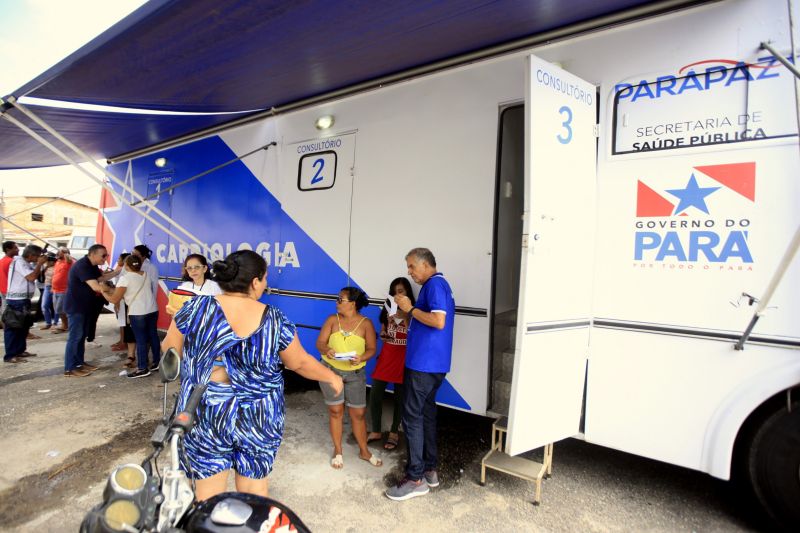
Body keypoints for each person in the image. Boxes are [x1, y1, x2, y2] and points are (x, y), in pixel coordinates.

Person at [161, 250, 344, 501]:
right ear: (255, 282)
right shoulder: (274, 318)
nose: (266, 284)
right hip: (258, 415)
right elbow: (298, 362)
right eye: (265, 278)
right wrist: (331, 377)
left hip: (205, 410)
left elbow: (170, 352)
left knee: (208, 494)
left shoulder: (192, 308)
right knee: (254, 491)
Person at [385, 248, 455, 501]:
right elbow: (430, 321)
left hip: (425, 365)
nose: (409, 272)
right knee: (426, 414)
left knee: (411, 415)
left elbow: (438, 322)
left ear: (426, 265)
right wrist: (404, 313)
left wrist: (411, 309)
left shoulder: (435, 285)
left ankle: (415, 479)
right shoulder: (435, 286)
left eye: (412, 267)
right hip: (431, 365)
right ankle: (429, 470)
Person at [316, 286, 382, 469]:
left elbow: (371, 349)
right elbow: (320, 342)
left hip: (355, 374)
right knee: (336, 412)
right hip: (330, 371)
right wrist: (326, 350)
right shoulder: (332, 320)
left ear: (352, 304)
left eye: (340, 300)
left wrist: (362, 358)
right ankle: (338, 451)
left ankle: (364, 451)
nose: (337, 302)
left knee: (358, 414)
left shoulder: (366, 324)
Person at [367, 277, 415, 451]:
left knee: (399, 397)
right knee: (375, 394)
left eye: (401, 291)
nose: (397, 294)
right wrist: (384, 336)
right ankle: (377, 430)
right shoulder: (387, 311)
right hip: (387, 356)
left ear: (408, 292)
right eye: (395, 291)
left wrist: (406, 316)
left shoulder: (413, 312)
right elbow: (382, 333)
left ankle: (394, 431)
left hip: (403, 358)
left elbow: (415, 337)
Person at [63, 244, 121, 377]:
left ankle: (79, 363)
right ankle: (70, 368)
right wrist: (116, 292)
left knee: (81, 336)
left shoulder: (92, 266)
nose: (105, 258)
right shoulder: (82, 266)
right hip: (76, 307)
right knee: (75, 337)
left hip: (85, 307)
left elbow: (100, 278)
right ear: (93, 254)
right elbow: (96, 286)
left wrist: (118, 271)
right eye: (103, 255)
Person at [102, 254, 160, 378]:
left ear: (126, 266)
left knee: (140, 340)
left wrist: (103, 292)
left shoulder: (125, 278)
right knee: (153, 336)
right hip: (152, 309)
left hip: (138, 312)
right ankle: (157, 362)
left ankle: (142, 368)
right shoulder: (145, 274)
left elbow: (114, 299)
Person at [3, 245, 47, 363]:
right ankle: (11, 354)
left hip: (24, 299)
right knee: (14, 327)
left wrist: (41, 265)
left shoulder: (25, 263)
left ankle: (20, 350)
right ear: (30, 255)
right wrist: (39, 264)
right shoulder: (19, 262)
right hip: (17, 300)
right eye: (37, 256)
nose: (38, 258)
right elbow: (32, 277)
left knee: (23, 327)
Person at [51, 247, 74, 333]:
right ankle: (65, 325)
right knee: (58, 310)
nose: (57, 252)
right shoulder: (58, 262)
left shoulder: (68, 262)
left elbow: (69, 259)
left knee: (61, 309)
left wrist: (66, 253)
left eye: (60, 252)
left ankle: (66, 325)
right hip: (55, 290)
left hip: (64, 290)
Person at [0, 241, 19, 326]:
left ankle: (6, 330)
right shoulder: (12, 262)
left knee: (5, 311)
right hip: (12, 291)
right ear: (8, 249)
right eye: (15, 248)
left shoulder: (2, 261)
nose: (18, 250)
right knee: (17, 313)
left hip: (4, 290)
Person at [39, 253, 59, 330]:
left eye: (49, 261)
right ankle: (48, 322)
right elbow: (41, 278)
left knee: (56, 306)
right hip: (47, 286)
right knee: (44, 306)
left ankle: (55, 323)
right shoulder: (45, 267)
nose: (47, 262)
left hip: (55, 287)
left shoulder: (57, 266)